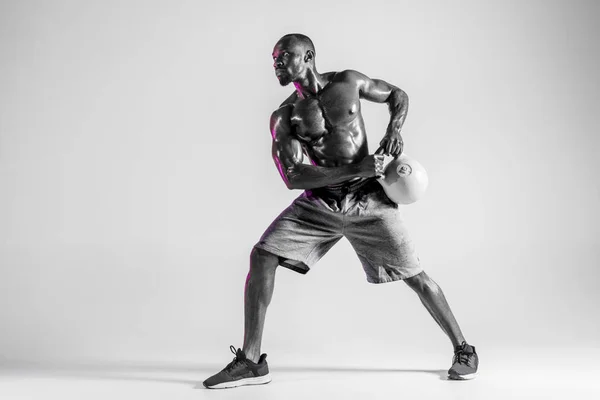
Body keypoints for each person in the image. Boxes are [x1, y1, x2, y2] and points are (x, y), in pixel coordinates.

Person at [203, 33, 478, 389]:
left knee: (416, 276)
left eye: (284, 56)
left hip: (370, 200)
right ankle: (252, 362)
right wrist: (355, 168)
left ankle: (464, 349)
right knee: (262, 256)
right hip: (320, 203)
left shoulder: (347, 82)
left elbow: (397, 95)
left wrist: (394, 128)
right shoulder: (284, 116)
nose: (277, 64)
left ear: (309, 56)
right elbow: (293, 175)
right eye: (273, 59)